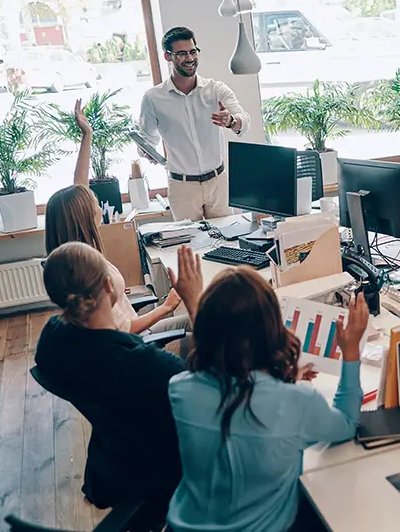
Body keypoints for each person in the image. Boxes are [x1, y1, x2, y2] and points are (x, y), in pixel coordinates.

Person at [166, 269, 369, 532]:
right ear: (271, 328)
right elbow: (346, 424)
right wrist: (351, 351)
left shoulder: (180, 390)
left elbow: (235, 397)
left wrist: (283, 380)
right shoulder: (297, 402)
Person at [35, 243, 203, 514]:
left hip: (113, 463)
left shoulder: (51, 341)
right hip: (171, 469)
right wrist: (194, 301)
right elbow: (214, 392)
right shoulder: (149, 366)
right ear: (109, 287)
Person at [44, 100, 188, 338]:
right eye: (93, 202)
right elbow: (123, 330)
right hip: (139, 341)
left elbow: (79, 187)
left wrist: (87, 135)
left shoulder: (70, 259)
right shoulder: (91, 275)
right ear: (83, 217)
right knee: (206, 329)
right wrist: (167, 306)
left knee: (205, 324)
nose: (98, 203)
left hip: (137, 331)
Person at [138, 26, 251, 222]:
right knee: (192, 247)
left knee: (229, 242)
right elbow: (146, 141)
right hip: (182, 188)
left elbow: (244, 121)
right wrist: (147, 153)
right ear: (168, 56)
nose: (189, 58)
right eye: (181, 54)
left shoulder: (215, 89)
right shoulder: (153, 98)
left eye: (192, 51)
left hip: (218, 183)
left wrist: (231, 121)